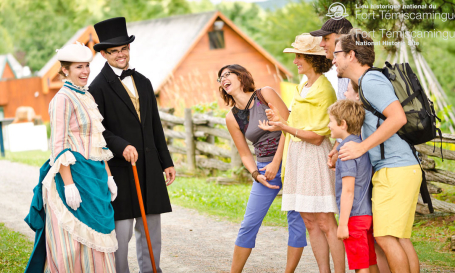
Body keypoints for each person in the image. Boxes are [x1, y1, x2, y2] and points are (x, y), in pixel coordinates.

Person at [89, 17, 176, 273]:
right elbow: (98, 130)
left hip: (149, 167)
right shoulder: (97, 88)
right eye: (114, 51)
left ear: (129, 49)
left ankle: (151, 271)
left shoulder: (145, 82)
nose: (120, 55)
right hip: (120, 169)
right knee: (122, 235)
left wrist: (166, 161)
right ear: (104, 54)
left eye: (124, 49)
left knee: (151, 231)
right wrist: (120, 145)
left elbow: (155, 126)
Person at [333, 28, 422, 273]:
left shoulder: (371, 80)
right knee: (398, 238)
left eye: (337, 53)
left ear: (351, 55)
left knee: (385, 238)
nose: (333, 59)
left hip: (396, 168)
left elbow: (397, 118)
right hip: (398, 168)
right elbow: (375, 123)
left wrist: (361, 147)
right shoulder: (367, 82)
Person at [24, 42, 118, 272]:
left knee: (99, 239)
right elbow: (59, 145)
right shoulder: (62, 99)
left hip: (94, 176)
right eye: (79, 67)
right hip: (73, 176)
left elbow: (98, 140)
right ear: (65, 70)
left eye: (87, 66)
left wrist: (108, 176)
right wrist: (68, 185)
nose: (85, 71)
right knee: (71, 246)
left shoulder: (87, 97)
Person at [259, 33, 345, 273]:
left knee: (326, 222)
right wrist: (279, 120)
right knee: (309, 221)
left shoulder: (324, 90)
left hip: (315, 158)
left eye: (299, 56)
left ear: (312, 59)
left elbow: (318, 136)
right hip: (297, 157)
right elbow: (293, 124)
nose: (295, 61)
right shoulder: (301, 87)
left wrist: (284, 126)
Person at [219, 64, 307, 273]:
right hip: (264, 169)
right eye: (220, 78)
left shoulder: (265, 94)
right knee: (249, 223)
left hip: (291, 159)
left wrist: (277, 162)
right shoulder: (232, 117)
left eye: (227, 74)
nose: (223, 79)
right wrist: (256, 174)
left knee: (295, 219)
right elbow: (244, 153)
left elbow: (289, 126)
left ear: (241, 77)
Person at [328, 100, 379, 273]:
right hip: (367, 215)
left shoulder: (346, 153)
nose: (328, 125)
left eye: (331, 121)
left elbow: (348, 191)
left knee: (360, 266)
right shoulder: (361, 147)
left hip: (354, 218)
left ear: (342, 124)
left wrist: (342, 224)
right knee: (370, 261)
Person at [309, 18, 353, 171]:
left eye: (326, 38)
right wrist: (337, 146)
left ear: (341, 37)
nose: (321, 44)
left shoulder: (356, 74)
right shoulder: (341, 72)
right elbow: (347, 119)